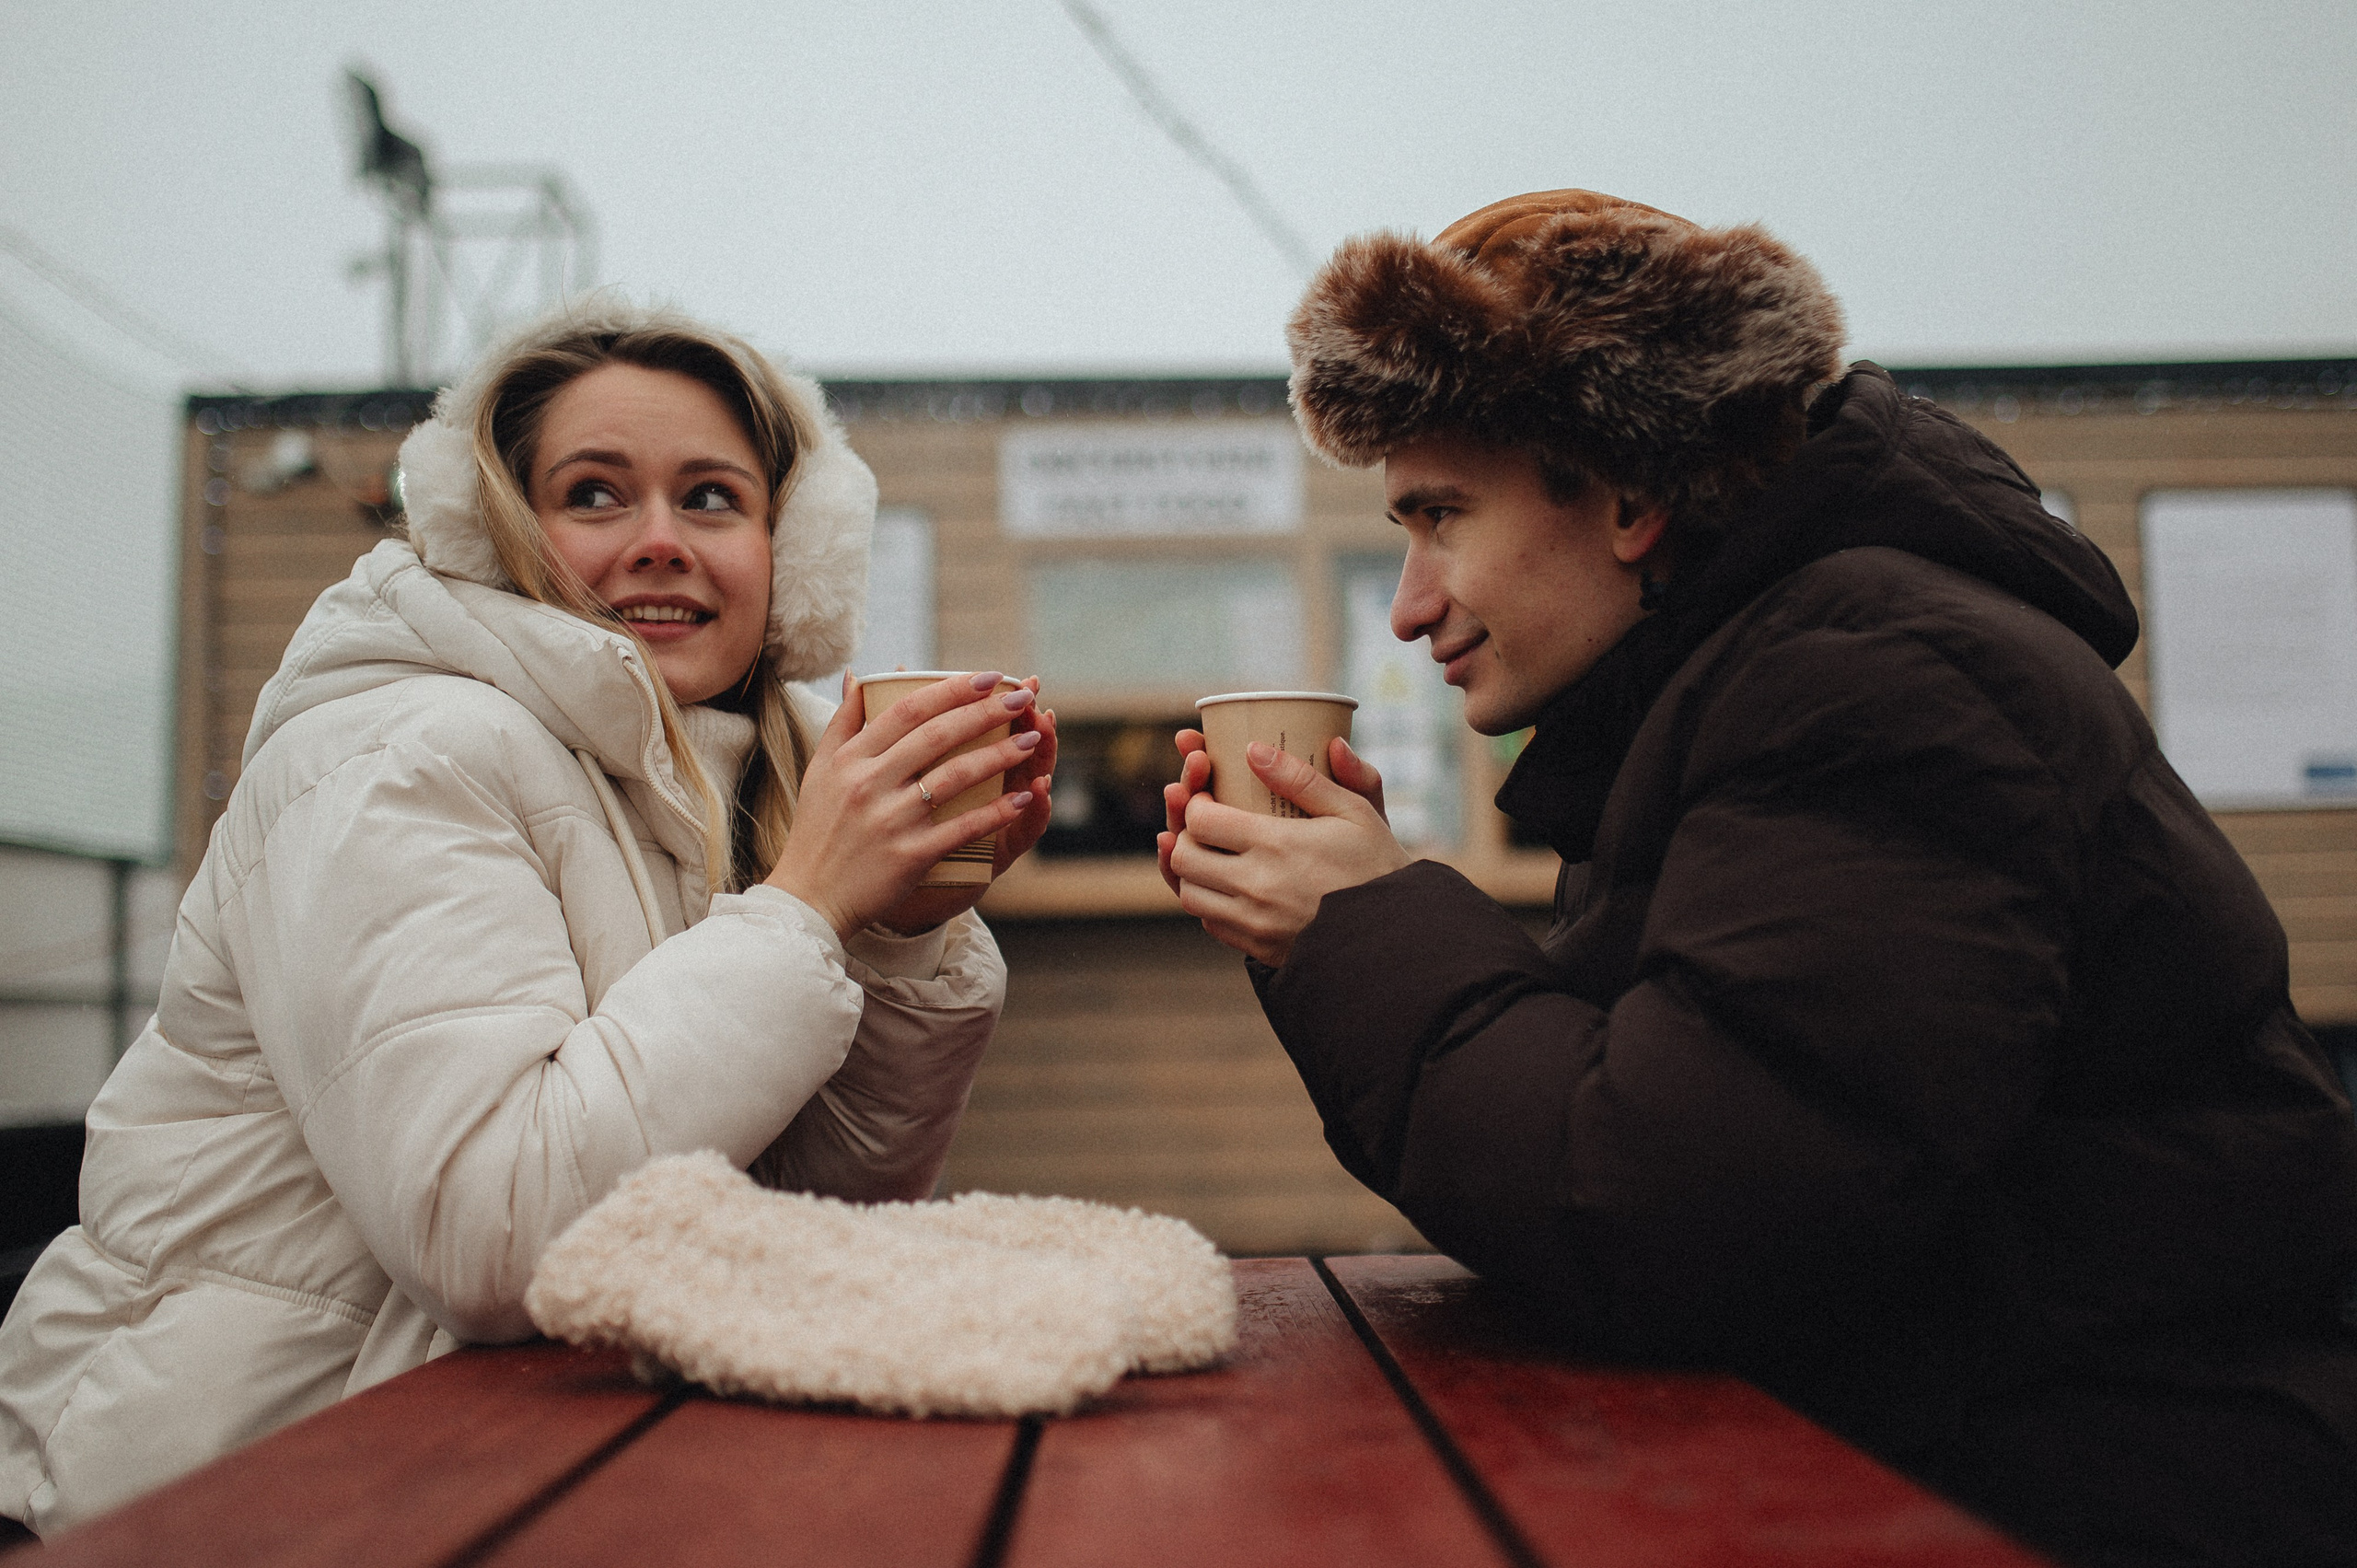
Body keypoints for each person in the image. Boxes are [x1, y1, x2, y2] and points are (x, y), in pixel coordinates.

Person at [1161, 190, 2357, 1565]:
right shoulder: (1734, 690)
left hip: (2108, 1498)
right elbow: (1652, 1132)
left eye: (1442, 517)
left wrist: (1363, 933)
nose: (1409, 600)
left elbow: (1675, 1214)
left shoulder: (1876, 678)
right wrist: (1328, 930)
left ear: (1628, 492)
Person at [0, 297, 1055, 1536]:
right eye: (597, 495)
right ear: (497, 533)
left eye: (711, 498)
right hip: (221, 1499)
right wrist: (807, 909)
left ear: (791, 553)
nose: (661, 540)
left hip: (489, 1483)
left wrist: (895, 933)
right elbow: (498, 1234)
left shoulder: (722, 785)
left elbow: (799, 1218)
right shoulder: (398, 754)